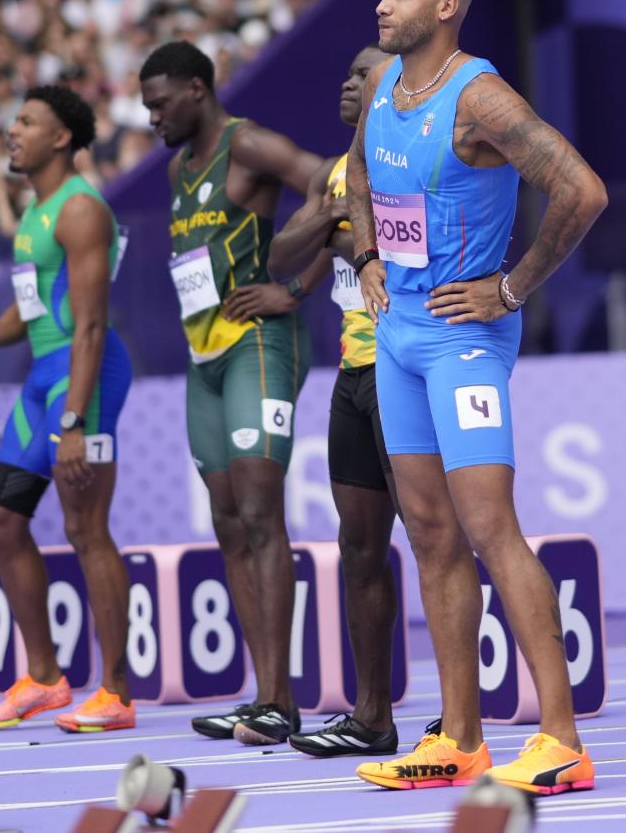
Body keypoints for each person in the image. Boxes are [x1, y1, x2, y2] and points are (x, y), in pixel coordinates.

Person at [346, 0, 607, 796]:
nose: (381, 5)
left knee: (491, 528)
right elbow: (356, 171)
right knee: (428, 532)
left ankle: (560, 737)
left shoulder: (479, 96)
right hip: (397, 334)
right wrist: (364, 254)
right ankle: (460, 737)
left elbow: (581, 188)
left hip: (464, 340)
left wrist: (511, 285)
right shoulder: (385, 80)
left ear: (447, 5)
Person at [139, 41, 324, 746]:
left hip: (257, 348)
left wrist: (294, 288)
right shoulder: (179, 165)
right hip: (204, 358)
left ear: (196, 88)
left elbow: (333, 185)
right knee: (225, 519)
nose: (152, 117)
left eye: (160, 103)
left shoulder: (248, 145)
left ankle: (281, 700)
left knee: (258, 511)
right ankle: (262, 694)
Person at [0, 85, 135, 733]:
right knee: (2, 520)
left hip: (83, 378)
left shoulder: (81, 210)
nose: (13, 131)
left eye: (27, 122)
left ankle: (115, 691)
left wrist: (73, 421)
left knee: (86, 528)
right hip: (42, 377)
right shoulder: (35, 216)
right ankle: (43, 677)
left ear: (61, 138)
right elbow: (34, 307)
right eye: (14, 121)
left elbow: (90, 325)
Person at [268, 43, 403, 757]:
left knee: (440, 544)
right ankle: (372, 717)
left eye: (364, 73)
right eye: (345, 72)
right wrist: (334, 213)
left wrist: (349, 221)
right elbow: (286, 253)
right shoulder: (338, 172)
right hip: (353, 373)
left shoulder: (410, 155)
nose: (347, 83)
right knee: (359, 549)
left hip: (406, 368)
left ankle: (462, 720)